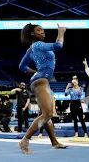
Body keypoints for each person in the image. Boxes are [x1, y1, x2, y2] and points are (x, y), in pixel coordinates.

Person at [18, 23, 67, 154]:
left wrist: (36, 71)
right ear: (32, 34)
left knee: (46, 115)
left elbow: (22, 67)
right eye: (39, 30)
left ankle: (54, 142)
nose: (43, 32)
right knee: (47, 114)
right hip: (41, 81)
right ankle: (25, 140)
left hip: (41, 79)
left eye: (43, 30)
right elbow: (58, 45)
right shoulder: (38, 45)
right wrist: (61, 32)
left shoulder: (31, 49)